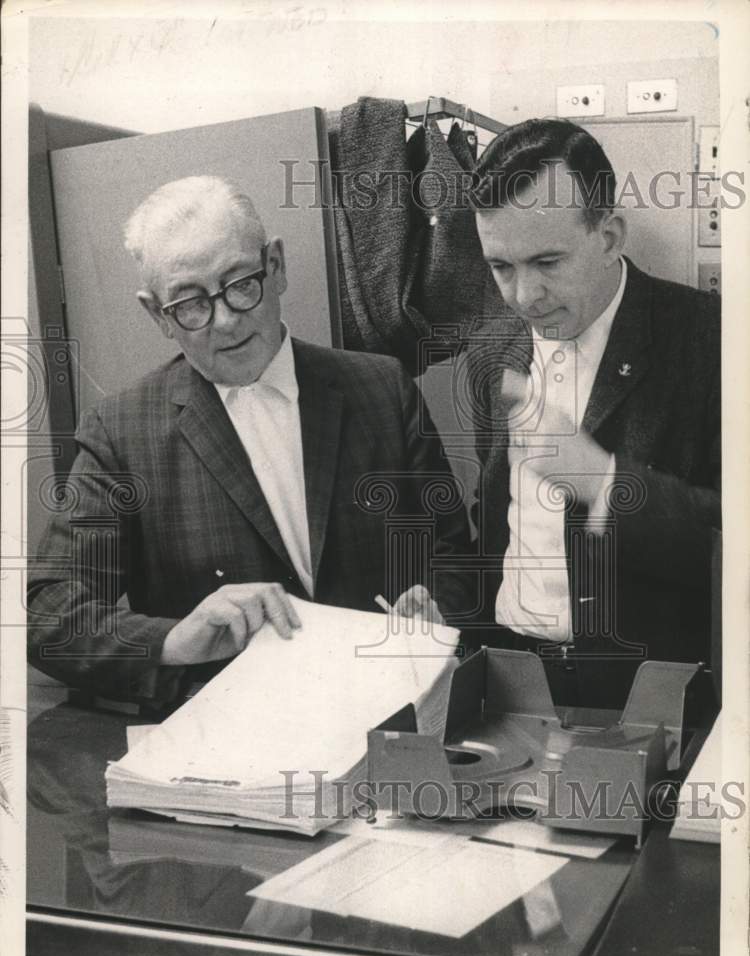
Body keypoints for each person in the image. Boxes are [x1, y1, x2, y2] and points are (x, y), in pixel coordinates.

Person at [27, 175, 472, 709]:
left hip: (386, 721)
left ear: (276, 266)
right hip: (225, 738)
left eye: (241, 283)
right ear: (155, 314)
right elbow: (45, 614)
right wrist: (171, 640)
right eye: (190, 304)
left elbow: (454, 555)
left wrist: (438, 615)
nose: (225, 320)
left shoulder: (382, 389)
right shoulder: (121, 432)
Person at [465, 118, 720, 708]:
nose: (524, 297)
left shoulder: (714, 341)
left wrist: (606, 485)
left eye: (548, 262)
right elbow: (495, 521)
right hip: (511, 678)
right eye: (501, 266)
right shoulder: (490, 348)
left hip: (648, 693)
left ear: (608, 237)